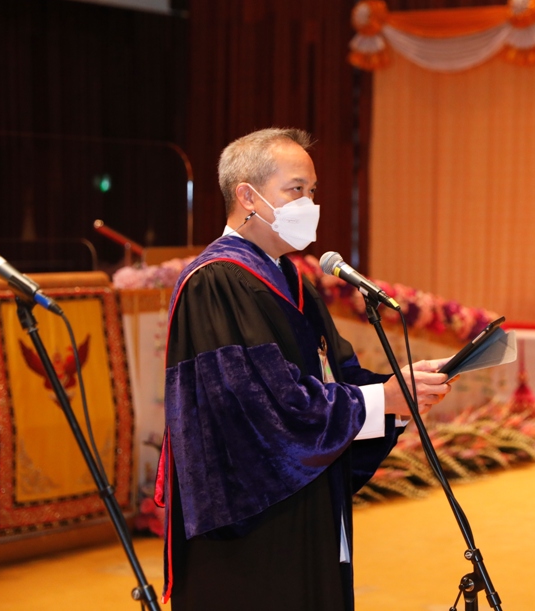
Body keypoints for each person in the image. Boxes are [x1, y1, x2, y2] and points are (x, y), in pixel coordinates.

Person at [156, 127, 453, 610]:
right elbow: (262, 409)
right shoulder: (217, 282)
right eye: (296, 189)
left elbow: (339, 378)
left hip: (306, 502)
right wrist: (380, 400)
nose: (309, 204)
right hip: (252, 527)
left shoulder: (291, 280)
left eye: (312, 191)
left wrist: (400, 395)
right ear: (247, 196)